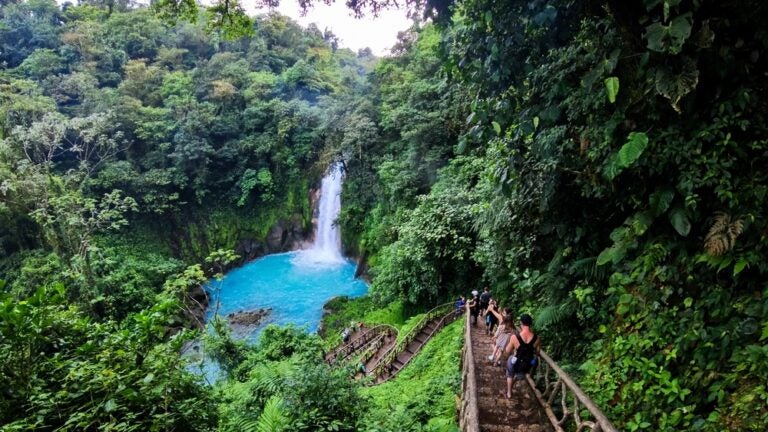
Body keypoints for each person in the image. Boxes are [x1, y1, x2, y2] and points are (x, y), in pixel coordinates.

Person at [503, 314, 541, 399]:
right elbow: (537, 352)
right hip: (527, 364)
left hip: (516, 362)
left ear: (521, 323)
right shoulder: (537, 338)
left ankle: (509, 393)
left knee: (510, 373)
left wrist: (515, 349)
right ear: (530, 324)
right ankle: (515, 381)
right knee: (519, 372)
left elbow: (507, 351)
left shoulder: (514, 337)